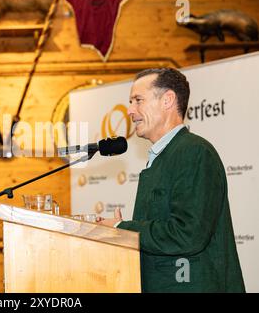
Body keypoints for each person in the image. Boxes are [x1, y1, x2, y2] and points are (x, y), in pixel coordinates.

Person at [97, 68, 245, 293]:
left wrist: (123, 228)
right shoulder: (163, 156)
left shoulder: (194, 152)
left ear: (167, 100)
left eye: (138, 100)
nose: (130, 110)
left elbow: (188, 234)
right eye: (130, 102)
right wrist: (124, 232)